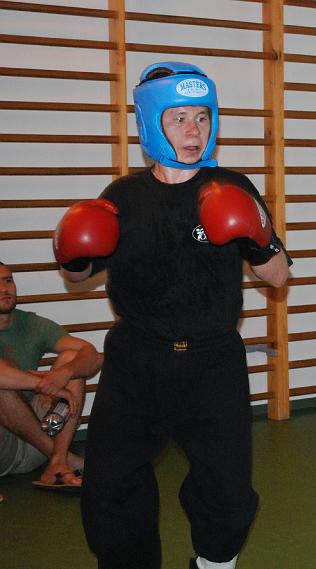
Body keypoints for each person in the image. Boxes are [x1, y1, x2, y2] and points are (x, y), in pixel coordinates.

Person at [53, 61, 292, 569]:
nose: (193, 131)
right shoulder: (123, 197)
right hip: (136, 362)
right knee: (111, 485)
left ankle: (213, 563)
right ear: (151, 124)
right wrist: (73, 251)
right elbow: (78, 277)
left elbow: (277, 277)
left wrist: (258, 234)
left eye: (202, 117)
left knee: (228, 493)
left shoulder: (231, 187)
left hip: (212, 362)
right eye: (179, 118)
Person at [0, 262, 101, 499]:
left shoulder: (30, 323)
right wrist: (40, 382)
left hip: (34, 439)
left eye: (8, 280)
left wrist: (63, 374)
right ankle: (65, 459)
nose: (4, 289)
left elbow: (92, 356)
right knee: (3, 386)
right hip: (4, 449)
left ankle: (57, 462)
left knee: (73, 359)